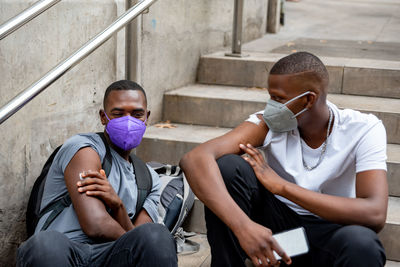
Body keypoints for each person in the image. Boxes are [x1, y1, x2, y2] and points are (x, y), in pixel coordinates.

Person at [180, 52, 388, 267]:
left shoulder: (363, 129)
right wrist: (243, 227)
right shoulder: (268, 123)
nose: (271, 106)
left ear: (309, 99)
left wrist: (283, 187)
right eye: (270, 96)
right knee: (228, 168)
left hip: (331, 233)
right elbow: (195, 159)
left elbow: (374, 213)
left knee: (363, 244)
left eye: (279, 98)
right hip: (277, 236)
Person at [17, 80, 178, 267]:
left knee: (156, 236)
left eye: (137, 114)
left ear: (147, 117)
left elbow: (143, 240)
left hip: (111, 256)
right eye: (118, 114)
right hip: (65, 253)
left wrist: (118, 207)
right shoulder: (84, 148)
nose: (128, 121)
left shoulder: (149, 178)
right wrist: (134, 242)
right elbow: (95, 224)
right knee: (46, 243)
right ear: (103, 117)